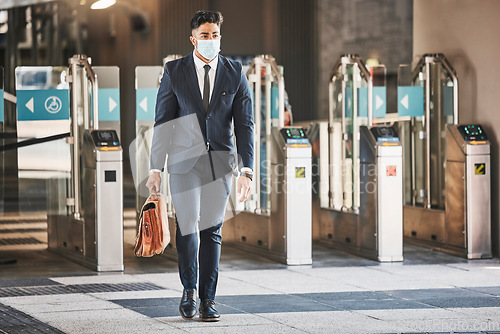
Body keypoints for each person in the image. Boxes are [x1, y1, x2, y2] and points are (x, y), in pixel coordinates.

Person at [146, 10, 254, 322]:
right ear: (193, 39)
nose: (210, 40)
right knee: (189, 226)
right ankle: (189, 290)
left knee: (212, 229)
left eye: (215, 35)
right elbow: (163, 121)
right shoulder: (175, 71)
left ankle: (209, 299)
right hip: (183, 162)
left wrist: (246, 170)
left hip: (220, 161)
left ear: (221, 37)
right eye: (204, 35)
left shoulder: (235, 72)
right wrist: (156, 167)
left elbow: (245, 125)